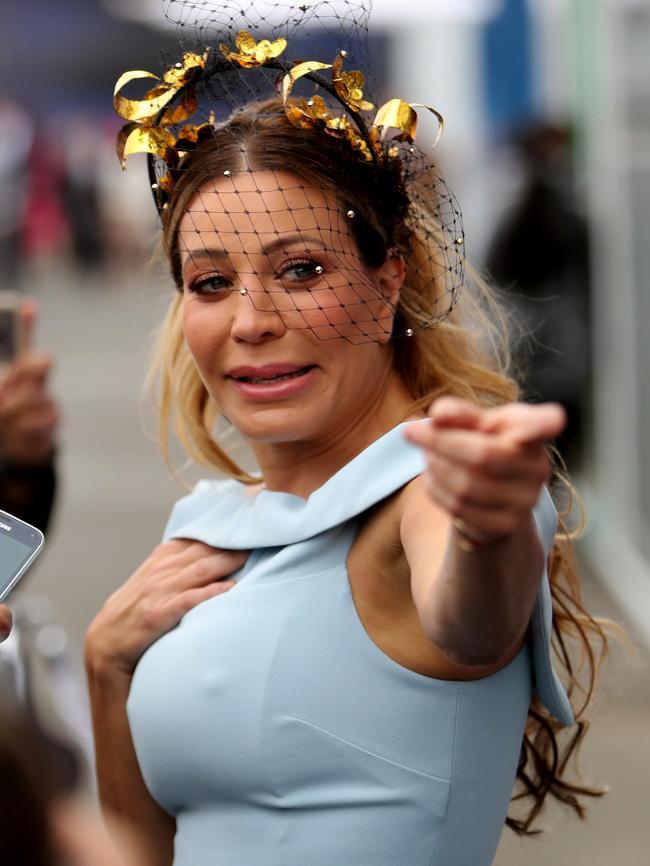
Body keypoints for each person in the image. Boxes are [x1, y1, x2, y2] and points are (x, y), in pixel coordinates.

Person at [84, 4, 607, 864]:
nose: (251, 321)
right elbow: (139, 847)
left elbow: (469, 618)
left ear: (390, 275)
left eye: (301, 271)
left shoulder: (425, 489)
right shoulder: (208, 527)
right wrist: (107, 669)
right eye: (211, 283)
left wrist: (492, 526)